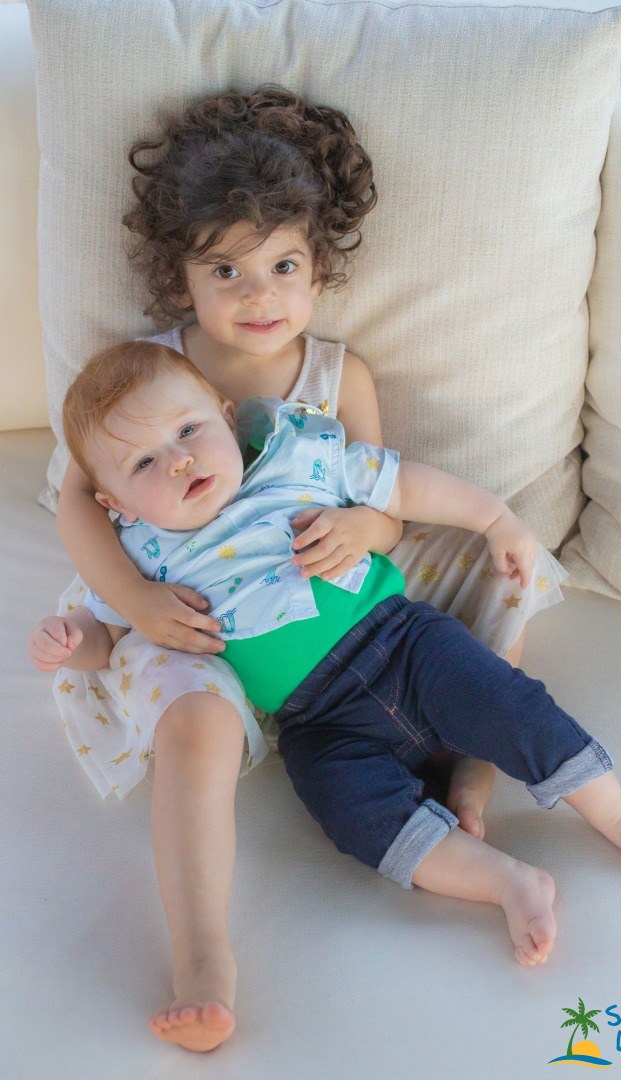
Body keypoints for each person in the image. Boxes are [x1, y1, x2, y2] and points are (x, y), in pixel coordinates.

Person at [31, 342, 621, 1053]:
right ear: (112, 504)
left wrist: (495, 519)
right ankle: (507, 883)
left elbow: (404, 486)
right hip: (315, 721)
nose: (179, 461)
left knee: (509, 705)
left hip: (405, 644)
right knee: (352, 814)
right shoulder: (142, 554)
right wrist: (72, 640)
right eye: (143, 464)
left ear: (226, 415)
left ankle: (616, 811)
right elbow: (110, 632)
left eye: (189, 431)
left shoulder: (294, 457)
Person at [53, 85, 568, 832]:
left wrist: (362, 531)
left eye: (284, 266)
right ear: (179, 279)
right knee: (147, 666)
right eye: (225, 272)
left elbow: (384, 504)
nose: (259, 296)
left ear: (319, 268)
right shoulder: (145, 374)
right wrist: (133, 601)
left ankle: (474, 772)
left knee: (503, 570)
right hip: (189, 597)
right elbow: (78, 498)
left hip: (329, 591)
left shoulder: (338, 377)